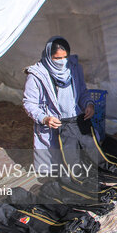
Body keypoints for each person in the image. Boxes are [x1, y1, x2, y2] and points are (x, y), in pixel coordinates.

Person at [23, 36, 95, 170]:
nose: (62, 62)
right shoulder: (36, 75)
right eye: (57, 58)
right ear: (48, 56)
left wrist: (88, 104)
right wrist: (44, 118)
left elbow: (82, 91)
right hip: (54, 124)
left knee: (81, 161)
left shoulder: (73, 67)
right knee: (58, 167)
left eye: (65, 57)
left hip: (75, 121)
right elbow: (29, 103)